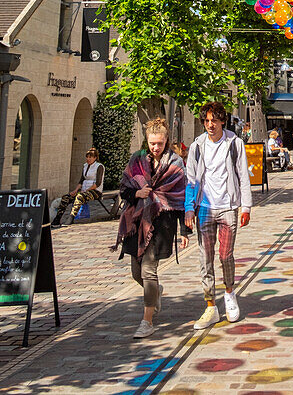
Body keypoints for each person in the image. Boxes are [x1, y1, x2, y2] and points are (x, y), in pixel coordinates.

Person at [115, 118, 189, 339]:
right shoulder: (137, 160)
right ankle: (156, 292)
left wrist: (184, 231)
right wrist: (137, 193)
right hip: (136, 223)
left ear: (167, 140)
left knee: (149, 271)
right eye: (152, 143)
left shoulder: (175, 163)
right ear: (146, 141)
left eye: (159, 143)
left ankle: (147, 321)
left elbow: (181, 198)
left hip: (161, 224)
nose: (155, 147)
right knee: (137, 274)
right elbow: (124, 187)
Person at [185, 101, 252, 329]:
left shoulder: (235, 143)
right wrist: (188, 207)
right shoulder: (197, 146)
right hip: (204, 208)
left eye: (214, 120)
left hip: (228, 206)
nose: (210, 125)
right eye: (206, 121)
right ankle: (210, 305)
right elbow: (191, 180)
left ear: (223, 120)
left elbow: (243, 175)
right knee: (206, 257)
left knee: (225, 255)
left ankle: (230, 294)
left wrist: (246, 207)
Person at [51, 147, 104, 226]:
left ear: (95, 158)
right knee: (66, 197)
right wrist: (75, 190)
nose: (88, 159)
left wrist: (87, 190)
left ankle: (71, 217)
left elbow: (98, 183)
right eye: (87, 157)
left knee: (79, 197)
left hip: (95, 191)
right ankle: (58, 218)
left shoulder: (99, 166)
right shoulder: (85, 166)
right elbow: (81, 180)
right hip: (84, 190)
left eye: (90, 157)